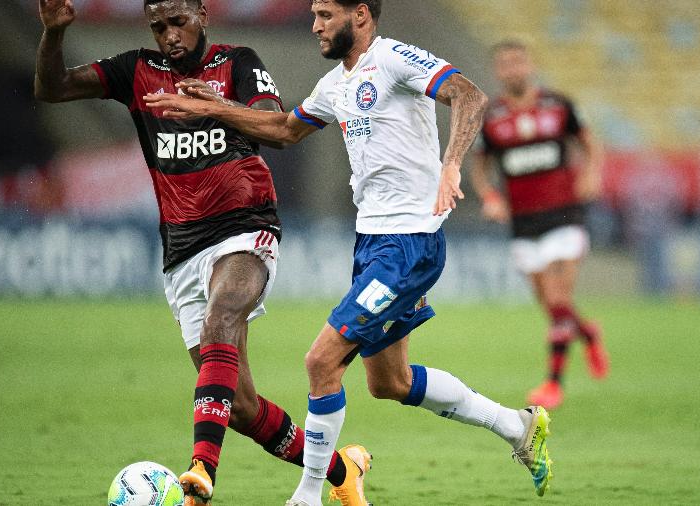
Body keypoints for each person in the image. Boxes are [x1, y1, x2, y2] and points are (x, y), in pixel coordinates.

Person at [144, 1, 554, 503]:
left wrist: (452, 165)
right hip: (372, 243)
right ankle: (517, 427)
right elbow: (284, 131)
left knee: (321, 361)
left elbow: (469, 96)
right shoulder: (335, 84)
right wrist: (215, 108)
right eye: (313, 15)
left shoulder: (395, 59)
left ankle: (309, 494)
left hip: (410, 245)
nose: (314, 25)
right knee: (390, 382)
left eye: (324, 14)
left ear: (359, 14)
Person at [34, 1, 369, 505]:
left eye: (179, 22)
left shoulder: (239, 62)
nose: (170, 35)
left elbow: (272, 124)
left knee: (222, 318)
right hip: (181, 249)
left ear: (203, 16)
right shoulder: (136, 71)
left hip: (244, 226)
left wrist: (213, 105)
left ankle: (199, 475)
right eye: (159, 26)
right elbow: (51, 88)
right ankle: (342, 470)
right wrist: (54, 34)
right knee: (238, 405)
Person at [469, 39, 610, 410]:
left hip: (565, 216)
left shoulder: (559, 105)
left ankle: (552, 384)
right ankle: (588, 332)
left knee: (559, 297)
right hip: (523, 223)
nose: (513, 69)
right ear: (499, 72)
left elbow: (590, 143)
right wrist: (491, 197)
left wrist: (592, 173)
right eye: (505, 64)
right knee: (552, 305)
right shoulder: (494, 117)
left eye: (518, 62)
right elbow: (480, 166)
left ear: (529, 65)